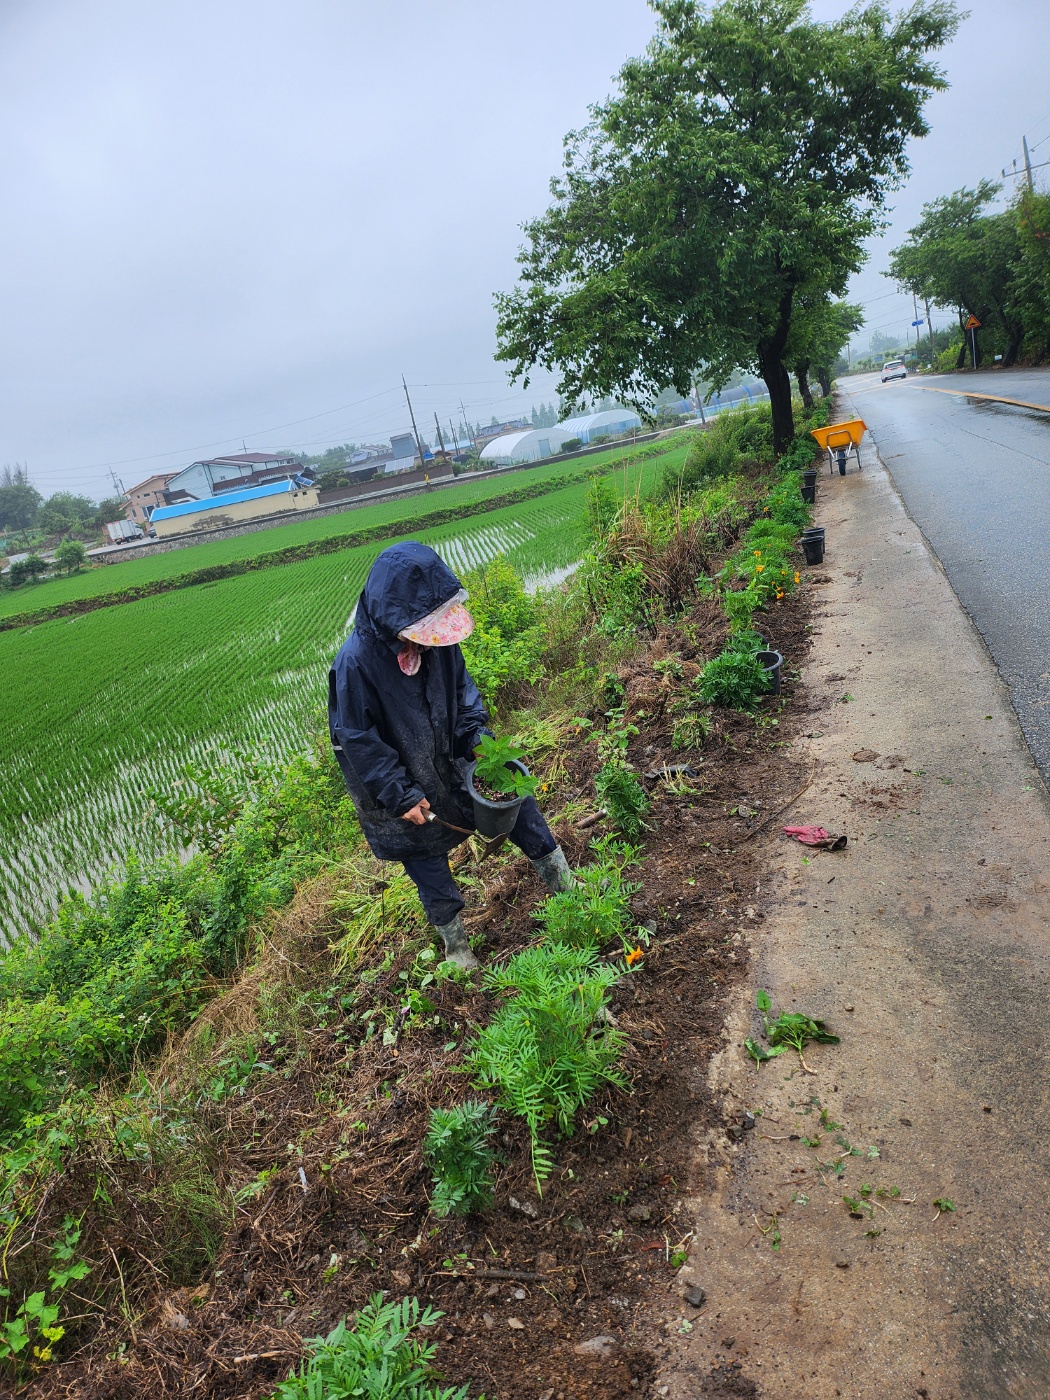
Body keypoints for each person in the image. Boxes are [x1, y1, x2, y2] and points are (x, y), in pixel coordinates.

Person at [328, 541, 575, 969]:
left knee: (518, 804)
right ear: (393, 620)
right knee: (426, 860)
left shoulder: (439, 644)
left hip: (452, 761)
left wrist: (475, 737)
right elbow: (358, 739)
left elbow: (463, 694)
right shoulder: (355, 665)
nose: (430, 640)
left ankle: (567, 891)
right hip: (404, 781)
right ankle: (458, 949)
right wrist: (400, 793)